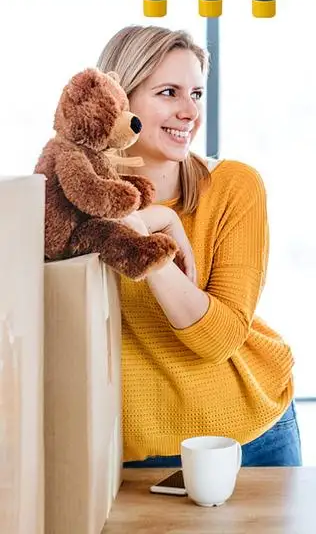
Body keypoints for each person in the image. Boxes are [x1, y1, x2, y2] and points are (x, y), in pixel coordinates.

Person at [95, 25, 301, 468]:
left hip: (250, 435)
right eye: (169, 92)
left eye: (197, 94)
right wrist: (151, 222)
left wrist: (148, 238)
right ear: (117, 99)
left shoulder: (234, 186)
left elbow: (220, 337)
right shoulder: (78, 200)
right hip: (132, 449)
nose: (190, 111)